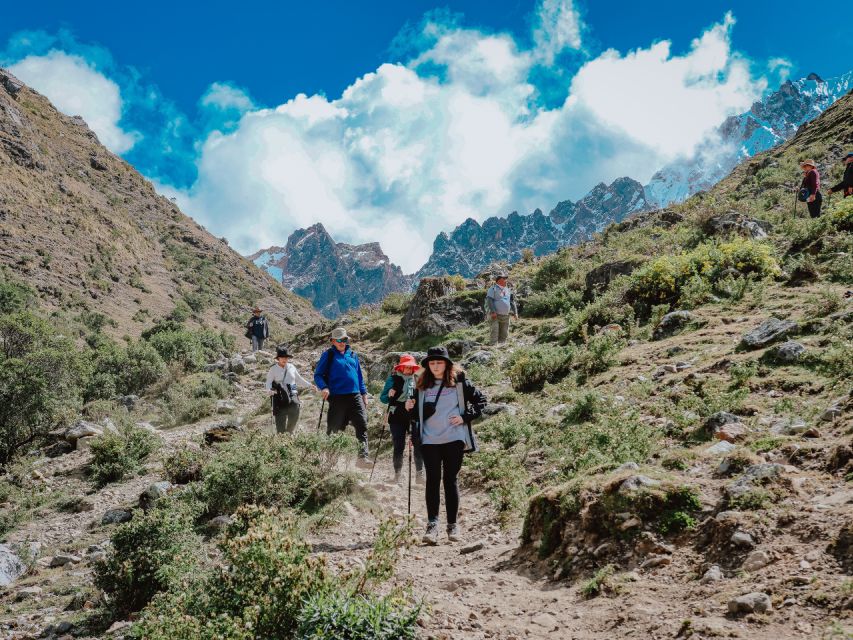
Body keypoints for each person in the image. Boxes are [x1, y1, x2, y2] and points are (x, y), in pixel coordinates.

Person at [405, 346, 487, 545]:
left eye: (439, 362)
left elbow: (481, 401)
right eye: (431, 363)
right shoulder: (421, 385)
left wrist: (464, 417)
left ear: (447, 364)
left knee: (450, 479)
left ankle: (452, 526)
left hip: (454, 438)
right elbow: (416, 415)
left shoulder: (460, 383)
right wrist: (409, 409)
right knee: (433, 480)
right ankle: (432, 525)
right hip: (429, 440)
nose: (435, 366)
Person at [314, 327, 371, 467]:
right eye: (339, 340)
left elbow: (359, 376)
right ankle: (330, 458)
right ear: (333, 341)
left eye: (344, 339)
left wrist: (364, 394)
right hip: (337, 397)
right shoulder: (329, 355)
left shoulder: (353, 354)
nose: (342, 342)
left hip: (355, 395)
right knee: (335, 428)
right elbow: (318, 375)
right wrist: (324, 387)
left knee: (362, 424)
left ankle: (362, 458)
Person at [379, 354, 424, 484]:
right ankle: (397, 475)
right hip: (396, 416)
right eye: (406, 367)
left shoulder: (417, 380)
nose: (408, 369)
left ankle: (419, 476)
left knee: (418, 444)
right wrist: (389, 394)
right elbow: (383, 399)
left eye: (411, 367)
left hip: (413, 416)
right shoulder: (392, 379)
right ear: (401, 367)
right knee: (398, 445)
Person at [265, 346, 316, 434]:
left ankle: (289, 432)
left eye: (286, 357)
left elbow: (299, 379)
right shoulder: (273, 369)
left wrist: (310, 385)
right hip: (280, 394)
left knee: (295, 411)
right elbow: (268, 382)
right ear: (278, 358)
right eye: (282, 357)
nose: (284, 359)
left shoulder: (291, 367)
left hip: (292, 392)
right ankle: (281, 436)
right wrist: (269, 390)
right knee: (280, 418)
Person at [485, 272, 518, 345]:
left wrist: (515, 313)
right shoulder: (493, 288)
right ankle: (493, 347)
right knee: (495, 330)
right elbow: (489, 300)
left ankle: (502, 346)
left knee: (504, 332)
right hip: (495, 315)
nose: (506, 280)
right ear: (499, 280)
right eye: (504, 279)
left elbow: (512, 301)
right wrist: (493, 311)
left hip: (506, 315)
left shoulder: (508, 289)